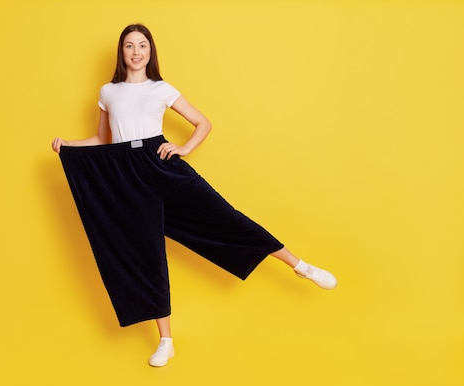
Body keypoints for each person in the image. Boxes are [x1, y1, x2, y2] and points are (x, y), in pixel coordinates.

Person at [52, 24, 337, 367]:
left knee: (224, 217)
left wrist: (183, 148)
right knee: (147, 252)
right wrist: (67, 144)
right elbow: (102, 140)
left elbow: (203, 122)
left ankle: (300, 266)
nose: (136, 52)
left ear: (150, 51)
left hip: (159, 163)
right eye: (130, 46)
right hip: (125, 173)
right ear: (122, 52)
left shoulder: (162, 88)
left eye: (142, 45)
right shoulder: (108, 92)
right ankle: (166, 341)